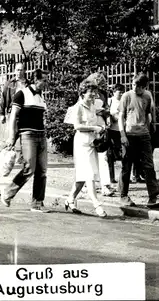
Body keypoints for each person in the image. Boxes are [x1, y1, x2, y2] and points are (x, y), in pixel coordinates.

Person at [0, 69, 51, 212]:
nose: (46, 83)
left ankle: (37, 203)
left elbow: (42, 118)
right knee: (29, 169)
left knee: (42, 171)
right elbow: (13, 117)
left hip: (41, 136)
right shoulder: (22, 94)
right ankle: (7, 193)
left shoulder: (41, 97)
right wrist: (11, 137)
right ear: (36, 80)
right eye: (44, 80)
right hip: (27, 135)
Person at [118, 73, 159, 209]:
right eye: (133, 84)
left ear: (144, 87)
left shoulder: (147, 96)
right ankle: (123, 195)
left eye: (138, 86)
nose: (135, 88)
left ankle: (153, 197)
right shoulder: (126, 96)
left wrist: (151, 127)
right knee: (126, 166)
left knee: (149, 166)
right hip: (129, 135)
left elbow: (147, 114)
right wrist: (122, 135)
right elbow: (121, 116)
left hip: (144, 135)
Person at [64, 80, 107, 217]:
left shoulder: (93, 105)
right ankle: (97, 204)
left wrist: (101, 128)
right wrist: (94, 128)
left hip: (92, 142)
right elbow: (77, 126)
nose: (94, 94)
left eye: (95, 92)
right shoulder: (79, 107)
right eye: (91, 92)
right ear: (83, 93)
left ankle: (70, 199)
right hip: (82, 142)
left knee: (83, 176)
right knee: (89, 175)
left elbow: (99, 117)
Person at [85, 72, 115, 197]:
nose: (99, 83)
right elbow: (83, 107)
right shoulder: (85, 92)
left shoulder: (103, 94)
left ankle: (105, 185)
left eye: (101, 81)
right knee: (89, 155)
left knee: (103, 155)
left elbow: (107, 108)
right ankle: (88, 183)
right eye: (97, 80)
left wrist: (107, 115)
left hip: (101, 124)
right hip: (90, 123)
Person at [107, 83, 125, 184]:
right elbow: (106, 113)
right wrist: (111, 117)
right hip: (111, 130)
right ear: (114, 92)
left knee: (124, 154)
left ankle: (123, 177)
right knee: (110, 155)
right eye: (119, 92)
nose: (121, 94)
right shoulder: (110, 101)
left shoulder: (124, 101)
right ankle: (111, 177)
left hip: (122, 130)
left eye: (123, 92)